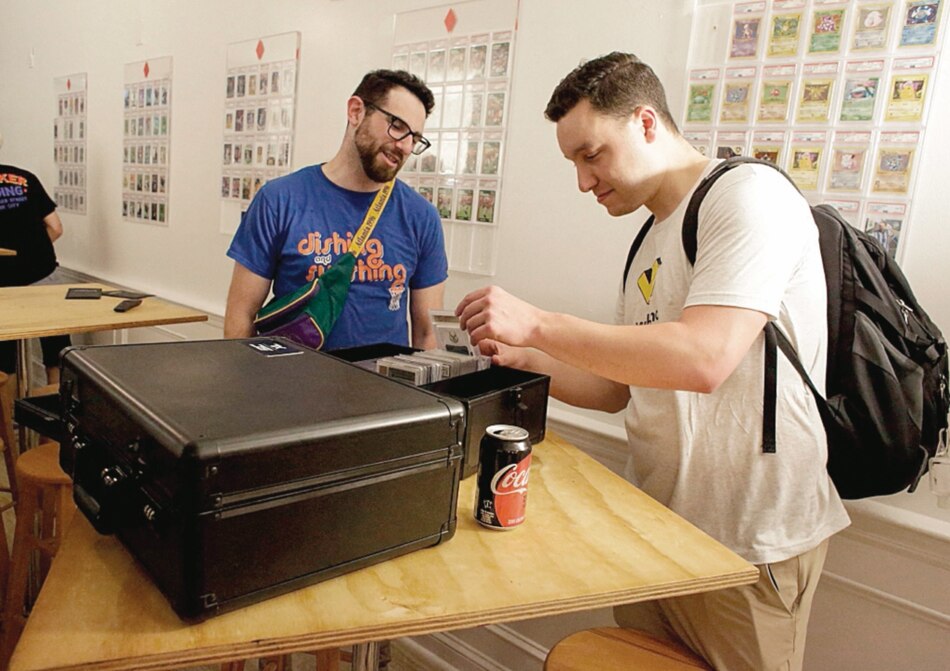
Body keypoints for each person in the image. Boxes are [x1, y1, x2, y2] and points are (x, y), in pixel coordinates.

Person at [455, 52, 849, 671]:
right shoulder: (650, 237)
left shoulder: (749, 196)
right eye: (573, 163)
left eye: (592, 155)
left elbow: (704, 357)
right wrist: (526, 355)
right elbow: (619, 388)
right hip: (657, 525)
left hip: (749, 537)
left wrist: (539, 323)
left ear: (645, 122)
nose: (584, 182)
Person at [224, 69, 448, 350]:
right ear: (356, 112)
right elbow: (241, 316)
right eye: (397, 126)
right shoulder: (279, 200)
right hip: (293, 376)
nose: (404, 146)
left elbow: (427, 334)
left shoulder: (421, 217)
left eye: (414, 138)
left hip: (384, 379)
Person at [0, 131, 71, 385]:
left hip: (3, 283)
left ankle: (8, 410)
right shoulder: (25, 178)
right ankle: (57, 407)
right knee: (56, 352)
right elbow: (56, 228)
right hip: (42, 274)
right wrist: (32, 252)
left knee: (3, 361)